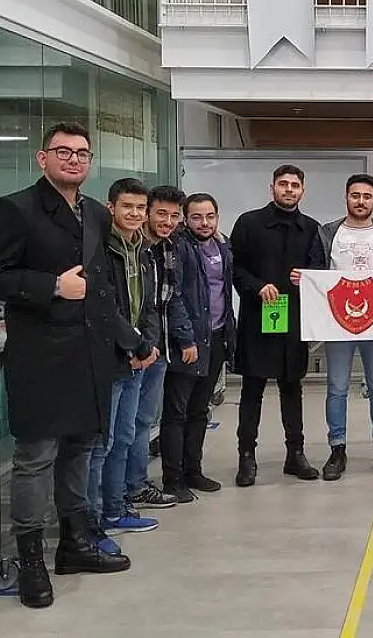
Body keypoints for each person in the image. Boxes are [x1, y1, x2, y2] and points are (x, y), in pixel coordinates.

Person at [0, 122, 130, 609]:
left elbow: (101, 287)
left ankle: (74, 543)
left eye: (82, 153)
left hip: (89, 352)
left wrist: (129, 340)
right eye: (64, 151)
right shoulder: (16, 209)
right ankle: (29, 558)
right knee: (36, 457)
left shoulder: (96, 213)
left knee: (80, 449)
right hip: (40, 353)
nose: (74, 159)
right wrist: (52, 286)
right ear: (43, 159)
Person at [307, 173, 373, 480]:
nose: (361, 201)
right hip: (337, 323)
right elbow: (315, 270)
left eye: (366, 196)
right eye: (355, 195)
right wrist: (305, 278)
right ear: (346, 197)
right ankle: (337, 448)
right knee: (337, 387)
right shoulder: (328, 233)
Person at [229, 165, 322, 486]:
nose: (289, 189)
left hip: (294, 320)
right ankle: (246, 457)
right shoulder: (248, 223)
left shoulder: (312, 229)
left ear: (302, 191)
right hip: (258, 318)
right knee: (252, 389)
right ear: (272, 188)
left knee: (292, 388)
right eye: (283, 184)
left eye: (295, 185)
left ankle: (295, 454)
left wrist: (307, 276)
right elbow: (235, 268)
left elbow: (320, 269)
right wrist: (256, 287)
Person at [92, 179, 163, 541]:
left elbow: (148, 305)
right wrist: (133, 346)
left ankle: (115, 508)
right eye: (127, 207)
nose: (135, 214)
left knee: (124, 437)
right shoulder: (101, 250)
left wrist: (147, 345)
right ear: (111, 208)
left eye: (140, 208)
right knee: (101, 445)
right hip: (110, 359)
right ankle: (95, 520)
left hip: (136, 358)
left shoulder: (143, 251)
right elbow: (104, 307)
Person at [162, 193, 238, 502]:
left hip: (215, 339)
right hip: (189, 343)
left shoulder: (222, 246)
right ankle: (173, 479)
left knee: (199, 410)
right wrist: (185, 339)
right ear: (185, 218)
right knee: (177, 412)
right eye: (196, 217)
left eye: (210, 216)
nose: (204, 223)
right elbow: (174, 295)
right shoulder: (178, 247)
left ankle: (193, 470)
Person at [125, 185, 189, 512]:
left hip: (158, 350)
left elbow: (170, 299)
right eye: (161, 213)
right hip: (134, 351)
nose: (167, 221)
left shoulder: (169, 248)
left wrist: (184, 339)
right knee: (124, 427)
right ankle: (122, 492)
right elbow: (137, 307)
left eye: (174, 216)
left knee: (144, 421)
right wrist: (140, 346)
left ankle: (136, 484)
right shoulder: (133, 249)